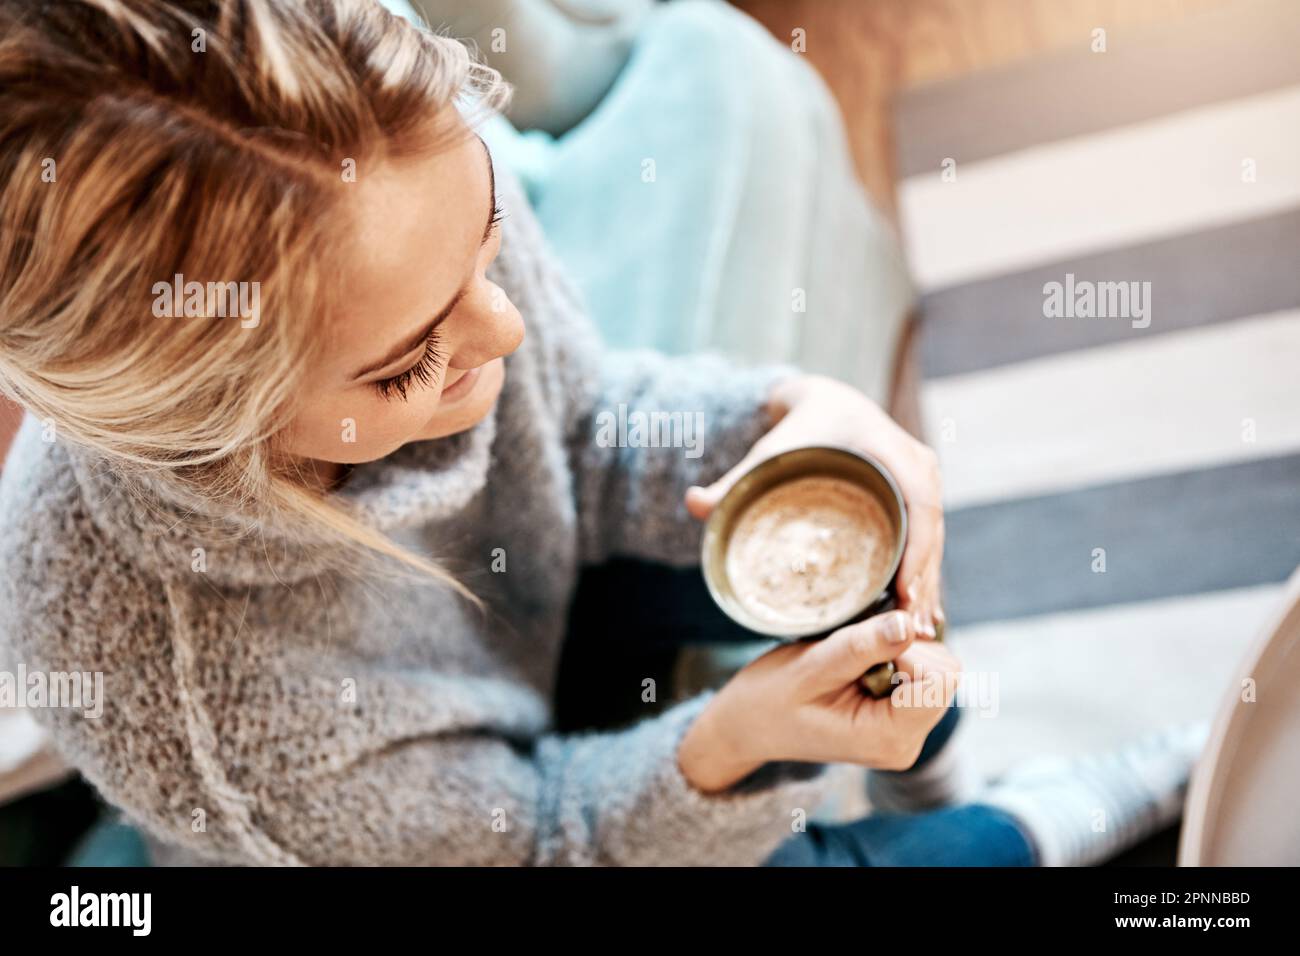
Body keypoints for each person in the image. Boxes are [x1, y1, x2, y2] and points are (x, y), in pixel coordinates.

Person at [0, 0, 1200, 867]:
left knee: (861, 562)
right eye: (413, 357)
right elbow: (542, 839)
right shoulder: (207, 712)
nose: (508, 325)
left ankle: (931, 769)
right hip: (439, 828)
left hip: (532, 611)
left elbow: (576, 422)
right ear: (212, 430)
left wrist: (781, 414)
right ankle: (1059, 813)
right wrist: (721, 745)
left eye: (484, 238)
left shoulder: (388, 164)